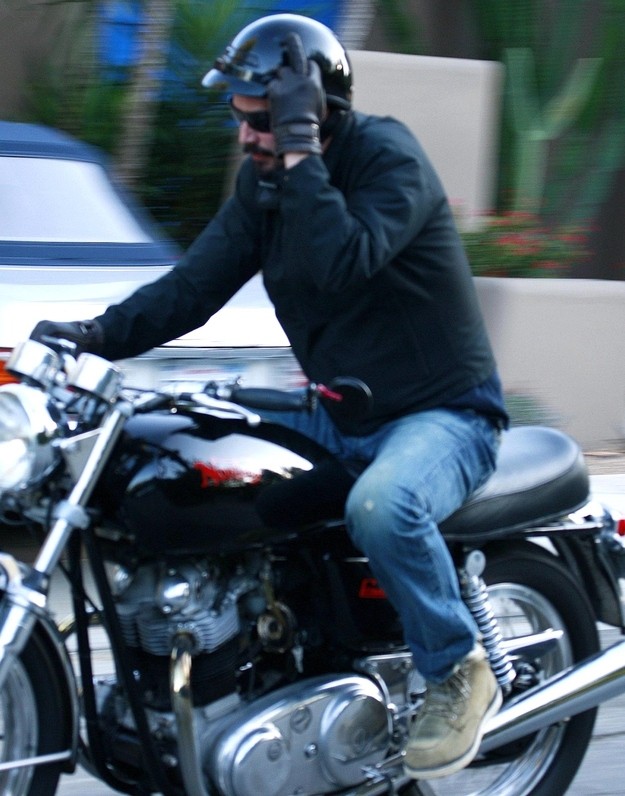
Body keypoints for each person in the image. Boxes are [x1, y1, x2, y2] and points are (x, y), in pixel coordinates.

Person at [31, 13, 507, 780]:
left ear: (313, 112)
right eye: (243, 118)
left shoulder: (387, 159)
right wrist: (91, 336)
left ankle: (456, 670)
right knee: (190, 460)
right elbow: (193, 287)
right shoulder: (266, 183)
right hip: (335, 408)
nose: (246, 135)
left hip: (440, 413)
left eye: (263, 119)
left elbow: (339, 261)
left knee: (381, 506)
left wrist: (297, 149)